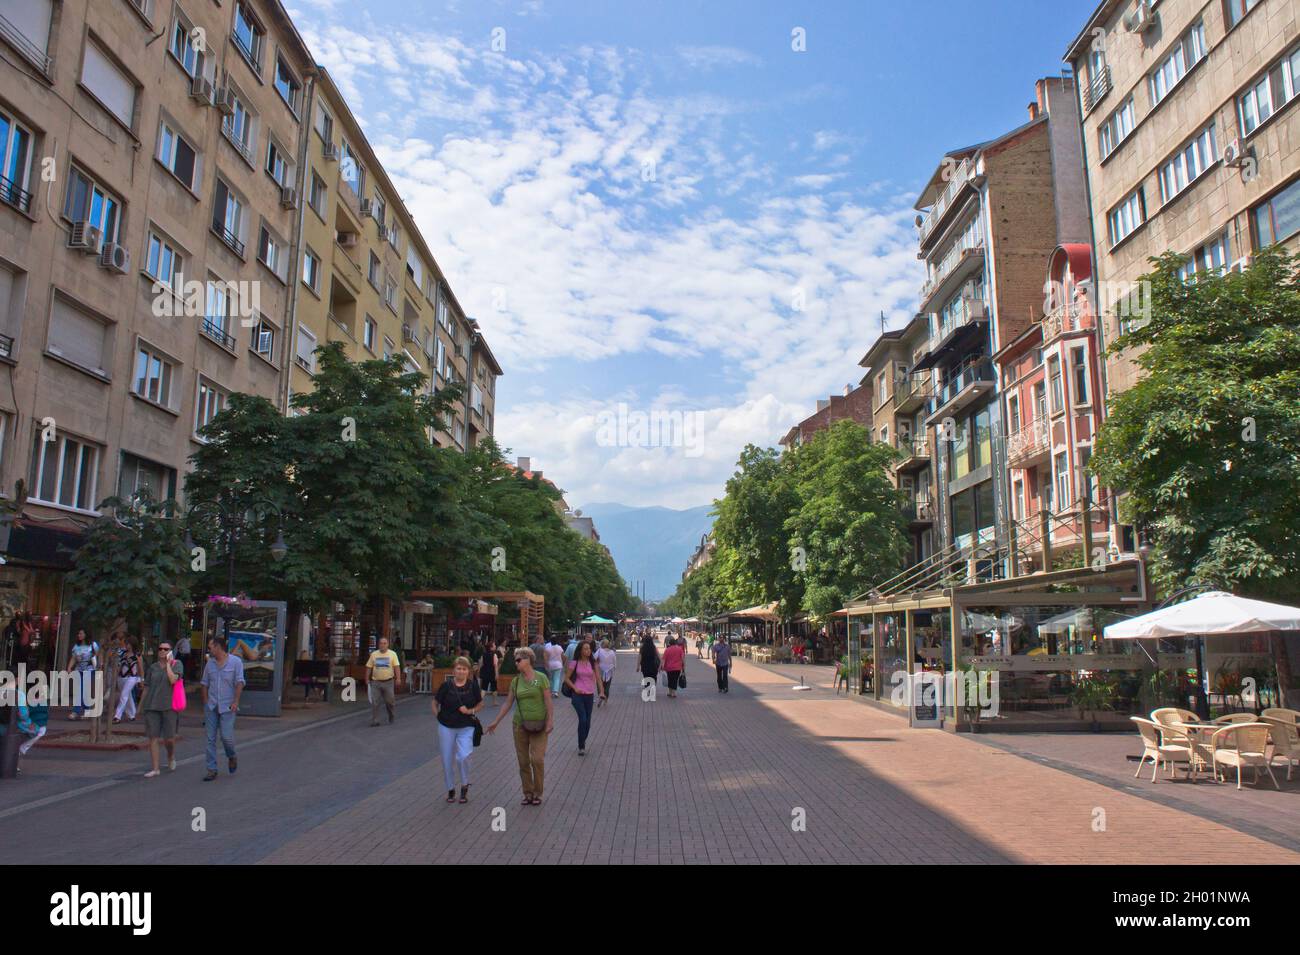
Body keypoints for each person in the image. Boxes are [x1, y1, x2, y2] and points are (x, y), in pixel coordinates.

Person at [487, 647, 552, 806]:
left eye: (518, 660)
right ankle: (528, 793)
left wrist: (550, 721)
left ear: (528, 660)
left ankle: (538, 792)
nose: (516, 663)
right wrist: (496, 721)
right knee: (523, 761)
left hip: (539, 725)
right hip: (520, 725)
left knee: (537, 759)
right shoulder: (516, 681)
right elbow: (508, 703)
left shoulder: (539, 679)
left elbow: (548, 701)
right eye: (515, 660)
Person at [433, 656, 482, 803]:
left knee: (463, 756)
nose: (461, 671)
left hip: (466, 726)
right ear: (454, 670)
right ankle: (450, 788)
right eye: (459, 668)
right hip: (446, 726)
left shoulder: (473, 686)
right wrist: (438, 717)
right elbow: (435, 703)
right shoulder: (446, 686)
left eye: (464, 669)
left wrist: (470, 711)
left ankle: (465, 784)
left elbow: (480, 704)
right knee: (447, 759)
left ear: (469, 671)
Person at [200, 635, 245, 781]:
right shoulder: (210, 664)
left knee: (226, 737)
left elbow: (239, 682)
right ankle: (211, 769)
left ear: (218, 647)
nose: (209, 650)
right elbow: (204, 683)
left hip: (228, 706)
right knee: (210, 739)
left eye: (210, 647)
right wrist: (206, 702)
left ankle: (231, 756)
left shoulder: (235, 662)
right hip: (212, 705)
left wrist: (236, 701)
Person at [141, 641, 182, 778]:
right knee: (153, 737)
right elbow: (146, 686)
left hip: (169, 706)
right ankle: (155, 768)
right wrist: (141, 705)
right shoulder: (153, 667)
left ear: (171, 651)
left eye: (166, 649)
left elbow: (173, 680)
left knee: (169, 739)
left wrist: (169, 664)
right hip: (152, 706)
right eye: (160, 649)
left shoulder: (177, 665)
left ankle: (170, 756)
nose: (163, 651)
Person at [563, 640, 604, 755]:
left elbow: (598, 678)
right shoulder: (574, 663)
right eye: (585, 649)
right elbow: (566, 678)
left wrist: (601, 691)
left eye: (589, 648)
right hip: (577, 695)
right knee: (583, 719)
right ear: (580, 651)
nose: (588, 650)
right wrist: (575, 688)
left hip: (589, 695)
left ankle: (582, 740)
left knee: (588, 722)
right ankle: (581, 746)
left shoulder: (593, 663)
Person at [365, 635, 402, 726]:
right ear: (379, 644)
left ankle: (391, 715)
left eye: (384, 643)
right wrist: (366, 679)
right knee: (375, 702)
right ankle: (375, 720)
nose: (382, 645)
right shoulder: (374, 654)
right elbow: (369, 667)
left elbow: (396, 667)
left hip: (388, 682)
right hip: (376, 682)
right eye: (381, 643)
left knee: (390, 701)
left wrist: (398, 678)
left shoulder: (392, 654)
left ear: (388, 644)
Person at [65, 628, 98, 719]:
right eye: (78, 633)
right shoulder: (76, 646)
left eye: (81, 633)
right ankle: (87, 711)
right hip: (78, 670)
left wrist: (100, 666)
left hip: (89, 670)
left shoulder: (93, 645)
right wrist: (69, 667)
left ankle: (75, 711)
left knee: (81, 690)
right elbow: (74, 658)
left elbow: (98, 655)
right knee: (83, 691)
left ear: (86, 635)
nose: (79, 635)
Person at [113, 638, 142, 723]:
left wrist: (141, 679)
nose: (127, 645)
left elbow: (140, 668)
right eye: (126, 643)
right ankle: (132, 714)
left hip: (132, 677)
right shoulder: (123, 654)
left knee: (123, 695)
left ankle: (117, 716)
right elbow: (119, 665)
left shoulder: (137, 655)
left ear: (132, 644)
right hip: (121, 677)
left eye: (128, 643)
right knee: (127, 696)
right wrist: (115, 676)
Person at [637, 634, 660, 698]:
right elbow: (658, 656)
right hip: (654, 665)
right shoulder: (654, 647)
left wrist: (638, 666)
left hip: (645, 665)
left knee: (646, 677)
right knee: (654, 677)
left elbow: (640, 657)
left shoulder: (642, 648)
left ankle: (648, 690)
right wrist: (661, 664)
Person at [595, 639, 616, 706]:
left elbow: (594, 658)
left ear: (602, 644)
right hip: (610, 670)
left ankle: (601, 695)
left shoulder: (599, 651)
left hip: (600, 669)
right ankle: (606, 699)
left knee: (599, 684)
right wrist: (614, 668)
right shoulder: (612, 652)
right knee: (607, 685)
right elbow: (614, 661)